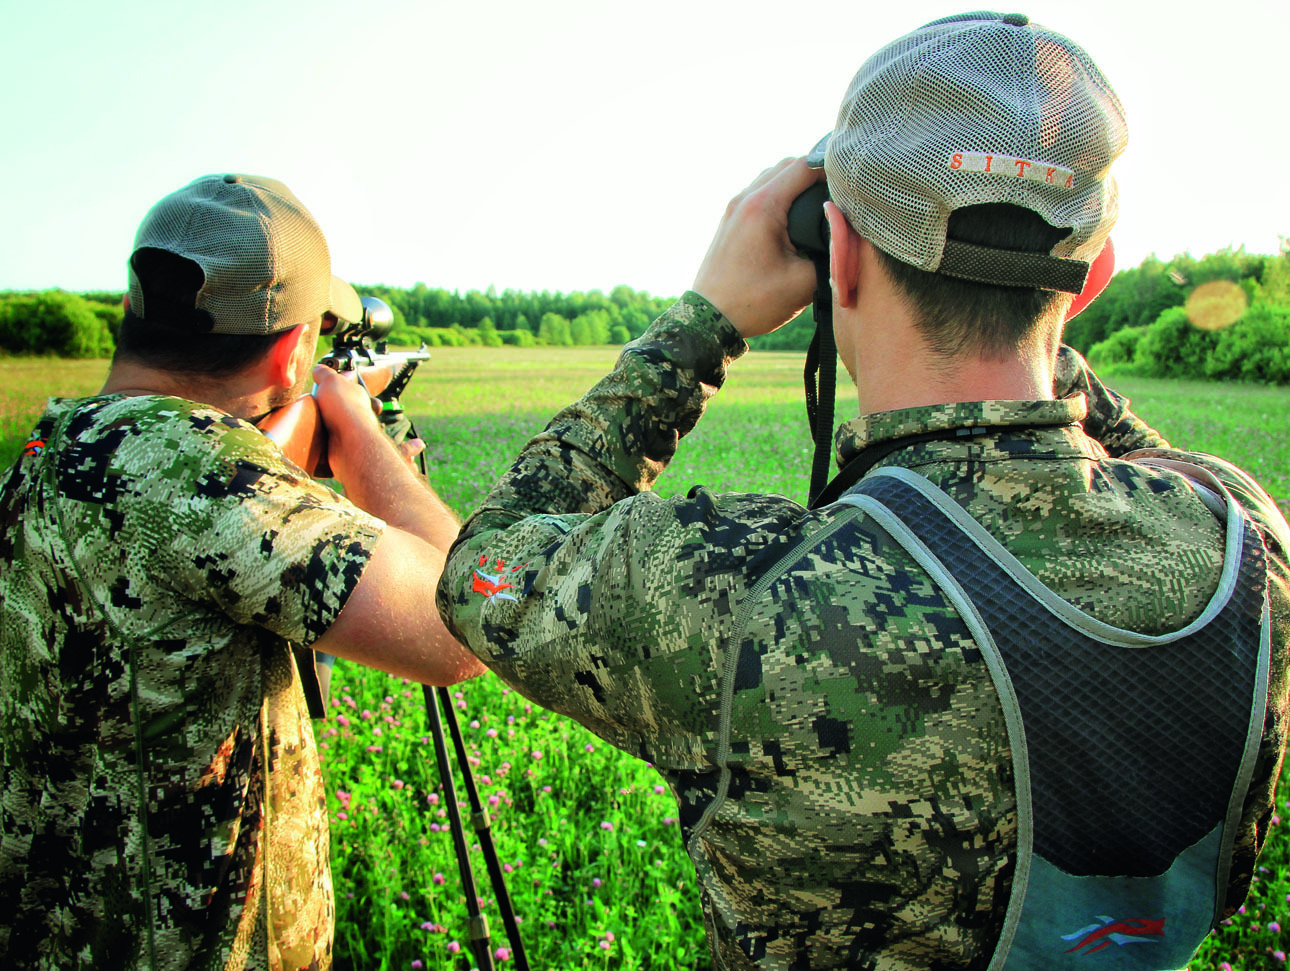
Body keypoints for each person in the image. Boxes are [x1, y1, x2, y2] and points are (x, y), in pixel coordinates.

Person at [437, 13, 1289, 970]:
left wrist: (701, 325)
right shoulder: (1246, 545)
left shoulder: (732, 595)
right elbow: (1132, 447)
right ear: (1093, 277)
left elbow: (484, 565)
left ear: (833, 251)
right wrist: (1031, 321)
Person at [0, 173, 483, 970]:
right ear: (297, 348)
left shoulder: (49, 448)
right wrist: (360, 436)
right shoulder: (213, 480)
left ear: (131, 310)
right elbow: (462, 627)